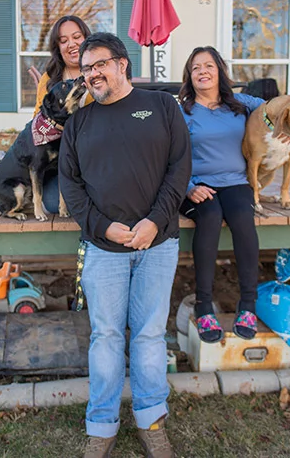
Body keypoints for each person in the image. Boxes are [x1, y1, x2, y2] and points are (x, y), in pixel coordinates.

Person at [59, 32, 191, 458]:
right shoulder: (78, 123)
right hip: (103, 249)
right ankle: (101, 427)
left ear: (122, 64)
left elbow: (179, 168)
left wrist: (155, 221)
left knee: (151, 336)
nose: (92, 73)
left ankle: (151, 422)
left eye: (99, 64)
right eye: (85, 67)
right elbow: (71, 186)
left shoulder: (161, 107)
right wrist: (102, 226)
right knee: (106, 337)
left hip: (158, 245)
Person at [178, 46, 290, 344]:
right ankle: (203, 307)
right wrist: (189, 186)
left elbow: (278, 108)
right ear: (189, 76)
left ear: (220, 71)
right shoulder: (182, 110)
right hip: (198, 185)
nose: (202, 71)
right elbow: (170, 155)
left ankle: (248, 306)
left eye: (208, 66)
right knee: (211, 217)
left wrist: (286, 126)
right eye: (195, 68)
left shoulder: (241, 103)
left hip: (237, 182)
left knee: (243, 218)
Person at [30, 15, 96, 215]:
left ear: (87, 38)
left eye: (77, 37)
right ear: (57, 47)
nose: (71, 44)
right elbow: (37, 121)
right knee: (51, 203)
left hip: (94, 158)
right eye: (63, 40)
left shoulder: (100, 74)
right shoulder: (49, 80)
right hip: (61, 159)